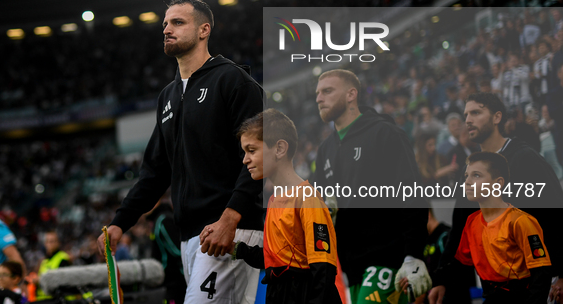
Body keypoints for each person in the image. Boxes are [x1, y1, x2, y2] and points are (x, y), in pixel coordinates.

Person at [98, 0, 264, 303]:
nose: (166, 29)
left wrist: (230, 218)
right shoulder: (168, 96)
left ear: (204, 30)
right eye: (164, 24)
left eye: (177, 22)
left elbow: (260, 156)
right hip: (189, 236)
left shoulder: (234, 80)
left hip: (230, 228)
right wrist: (120, 222)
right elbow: (154, 173)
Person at [429, 92, 563, 304]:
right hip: (496, 289)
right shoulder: (472, 169)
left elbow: (554, 215)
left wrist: (561, 274)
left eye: (476, 112)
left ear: (497, 117)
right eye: (466, 115)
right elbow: (460, 229)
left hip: (537, 285)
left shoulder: (525, 159)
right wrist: (441, 278)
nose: (468, 120)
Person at [312, 69, 430, 304]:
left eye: (327, 91)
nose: (318, 98)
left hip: (388, 260)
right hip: (351, 267)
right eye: (317, 93)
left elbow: (412, 193)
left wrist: (412, 255)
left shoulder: (385, 133)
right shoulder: (325, 149)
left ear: (351, 94)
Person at [221, 108, 342, 303]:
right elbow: (274, 259)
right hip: (278, 294)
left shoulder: (307, 198)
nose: (245, 159)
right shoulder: (274, 201)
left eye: (252, 150)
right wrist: (235, 248)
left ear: (279, 149)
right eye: (244, 152)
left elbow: (323, 268)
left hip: (305, 294)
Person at [454, 152, 551, 303]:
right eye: (466, 175)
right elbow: (460, 265)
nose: (467, 182)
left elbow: (541, 273)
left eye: (476, 175)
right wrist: (438, 281)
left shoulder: (520, 221)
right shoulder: (471, 221)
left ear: (498, 183)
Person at [35, 231, 71, 300]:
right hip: (45, 299)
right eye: (47, 241)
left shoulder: (63, 258)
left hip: (57, 299)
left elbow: (62, 281)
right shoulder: (45, 261)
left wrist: (40, 280)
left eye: (52, 241)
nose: (49, 244)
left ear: (58, 243)